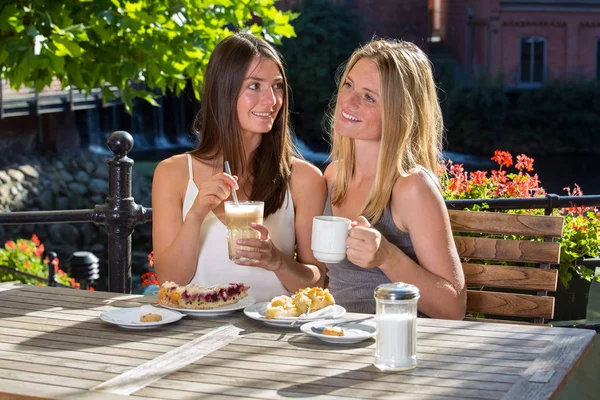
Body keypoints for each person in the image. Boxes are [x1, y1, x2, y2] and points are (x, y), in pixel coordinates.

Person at [151, 32, 327, 302]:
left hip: (269, 333)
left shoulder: (304, 179)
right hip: (194, 333)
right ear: (224, 91)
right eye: (255, 86)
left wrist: (277, 260)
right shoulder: (172, 174)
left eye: (277, 86)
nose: (271, 100)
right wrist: (197, 214)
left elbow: (317, 281)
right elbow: (170, 281)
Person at [323, 39, 466, 319]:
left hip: (394, 344)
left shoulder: (411, 187)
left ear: (399, 112)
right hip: (334, 336)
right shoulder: (333, 176)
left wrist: (387, 256)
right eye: (349, 85)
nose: (349, 101)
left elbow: (453, 308)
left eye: (369, 97)